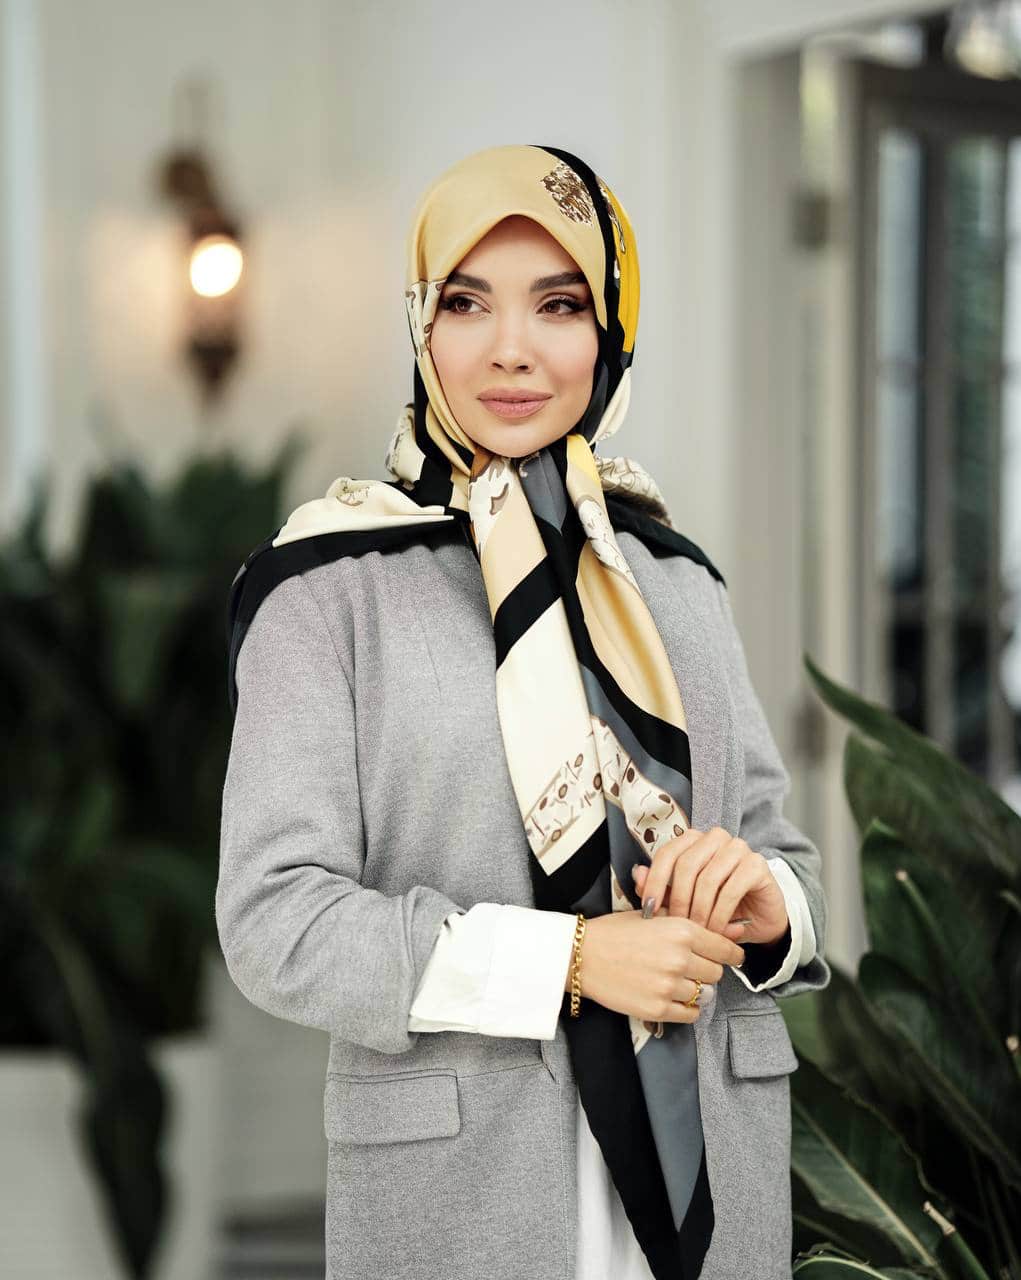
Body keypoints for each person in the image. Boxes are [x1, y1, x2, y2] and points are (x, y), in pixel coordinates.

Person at [217, 143, 832, 1280]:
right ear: (421, 322)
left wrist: (767, 906)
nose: (511, 348)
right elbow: (275, 919)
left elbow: (783, 858)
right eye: (466, 302)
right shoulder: (322, 587)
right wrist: (571, 960)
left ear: (609, 330)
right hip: (463, 1199)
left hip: (714, 1184)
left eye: (558, 304)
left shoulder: (675, 578)